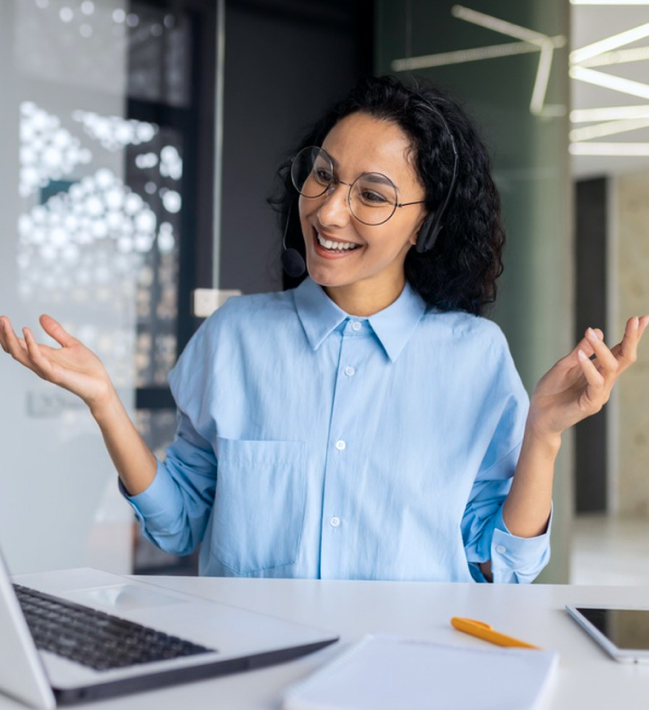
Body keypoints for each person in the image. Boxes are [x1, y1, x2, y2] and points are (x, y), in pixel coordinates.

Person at [1, 76, 646, 584]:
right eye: (324, 175)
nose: (330, 210)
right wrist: (105, 401)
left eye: (371, 194)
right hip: (251, 674)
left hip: (412, 678)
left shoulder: (474, 357)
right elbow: (179, 526)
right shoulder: (233, 339)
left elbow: (500, 566)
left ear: (424, 225)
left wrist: (543, 437)